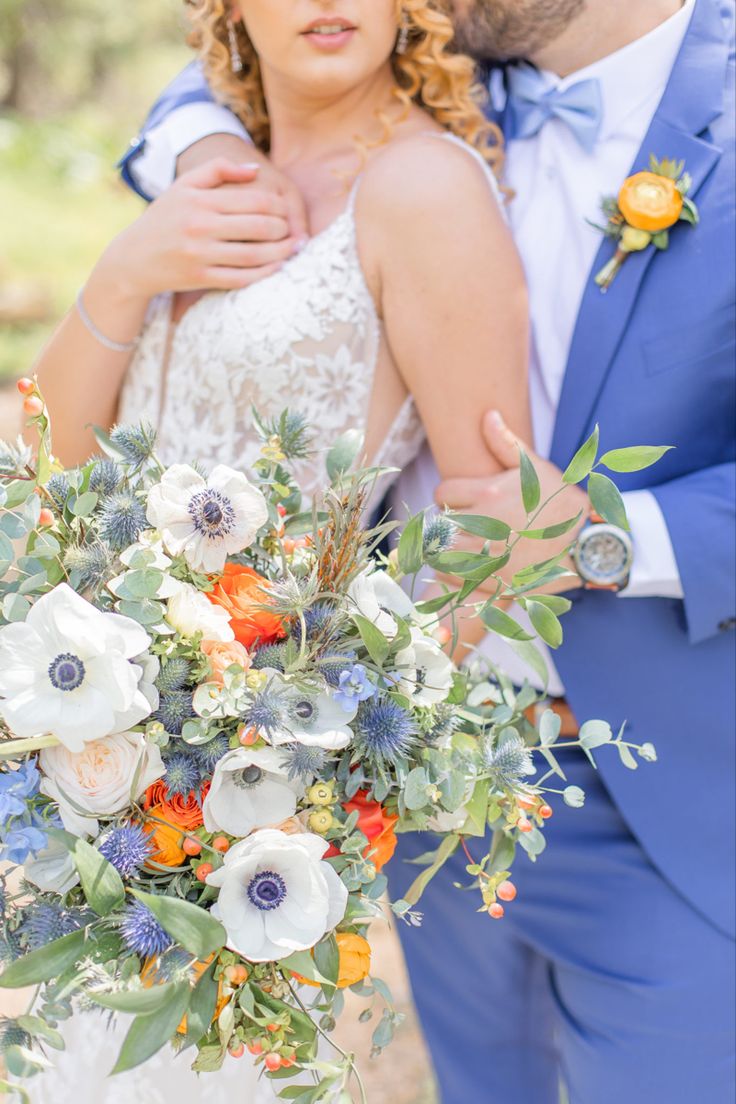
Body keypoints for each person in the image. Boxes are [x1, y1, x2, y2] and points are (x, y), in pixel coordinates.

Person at [118, 0, 736, 1102]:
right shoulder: (461, 67)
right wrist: (202, 150)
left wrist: (613, 537)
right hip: (434, 788)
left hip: (673, 792)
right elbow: (221, 77)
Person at [29, 1, 533, 1099]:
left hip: (253, 788)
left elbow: (493, 519)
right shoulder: (202, 171)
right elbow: (45, 465)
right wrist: (123, 273)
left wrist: (326, 760)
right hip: (93, 758)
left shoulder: (422, 189)